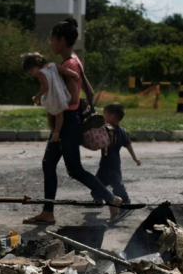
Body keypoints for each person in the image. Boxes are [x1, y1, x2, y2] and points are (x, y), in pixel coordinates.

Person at [23, 17, 121, 226]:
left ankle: (112, 200)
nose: (50, 43)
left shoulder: (68, 64)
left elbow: (74, 99)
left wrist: (55, 108)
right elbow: (90, 90)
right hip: (66, 121)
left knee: (74, 169)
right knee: (49, 164)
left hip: (67, 121)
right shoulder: (75, 60)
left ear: (62, 39)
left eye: (52, 39)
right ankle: (48, 212)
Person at [92, 102, 142, 223]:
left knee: (117, 185)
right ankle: (98, 197)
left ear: (112, 116)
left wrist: (135, 157)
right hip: (104, 164)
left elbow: (128, 144)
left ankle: (125, 202)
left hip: (112, 164)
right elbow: (128, 144)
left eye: (105, 115)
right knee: (96, 184)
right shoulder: (114, 130)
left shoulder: (115, 131)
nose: (104, 118)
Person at [22, 52, 81, 143]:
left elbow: (45, 87)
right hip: (61, 95)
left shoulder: (40, 74)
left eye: (31, 71)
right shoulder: (53, 65)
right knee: (59, 114)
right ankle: (57, 132)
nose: (32, 74)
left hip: (51, 97)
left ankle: (54, 131)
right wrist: (75, 75)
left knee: (50, 114)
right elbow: (65, 71)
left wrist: (37, 96)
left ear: (37, 65)